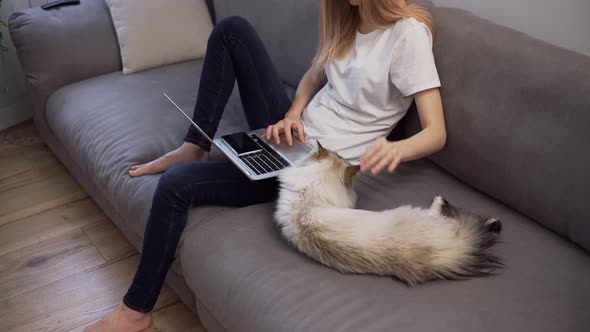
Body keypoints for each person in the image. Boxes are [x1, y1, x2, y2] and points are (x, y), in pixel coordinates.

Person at [85, 0, 446, 330]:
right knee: (232, 30)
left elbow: (436, 132)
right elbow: (314, 76)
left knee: (175, 185)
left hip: (314, 171)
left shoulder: (407, 35)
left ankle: (134, 313)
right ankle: (196, 145)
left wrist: (395, 149)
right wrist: (292, 114)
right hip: (293, 138)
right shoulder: (347, 20)